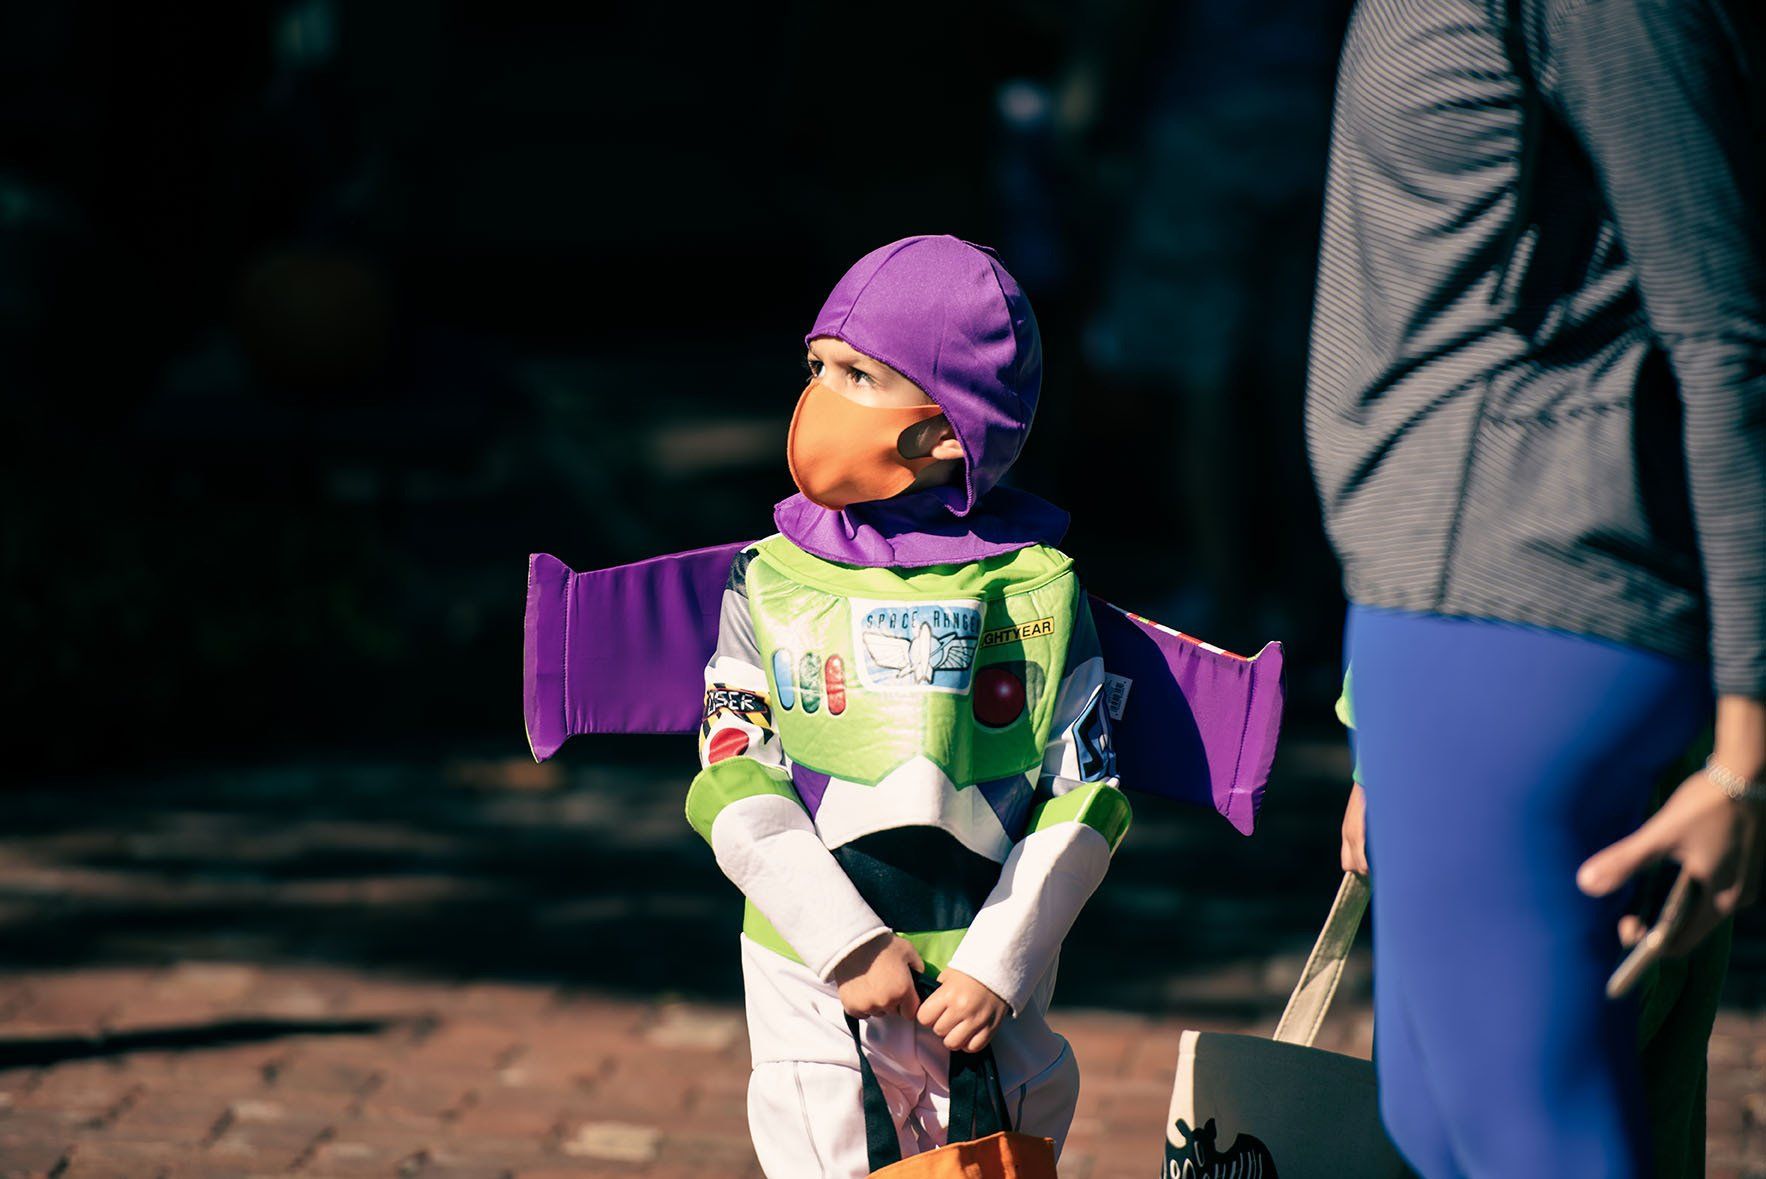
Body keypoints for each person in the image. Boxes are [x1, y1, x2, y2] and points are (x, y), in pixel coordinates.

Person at [1305, 1, 1765, 1175]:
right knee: (1435, 1128)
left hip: (1527, 607)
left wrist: (1742, 747)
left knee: (1532, 1143)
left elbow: (1721, 338)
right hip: (1424, 613)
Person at [684, 236, 1130, 1175]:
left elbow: (1085, 794)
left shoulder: (1039, 589)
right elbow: (732, 776)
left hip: (986, 995)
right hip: (813, 981)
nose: (817, 397)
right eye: (816, 366)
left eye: (855, 374)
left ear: (945, 429)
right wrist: (842, 945)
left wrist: (1000, 963)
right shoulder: (766, 580)